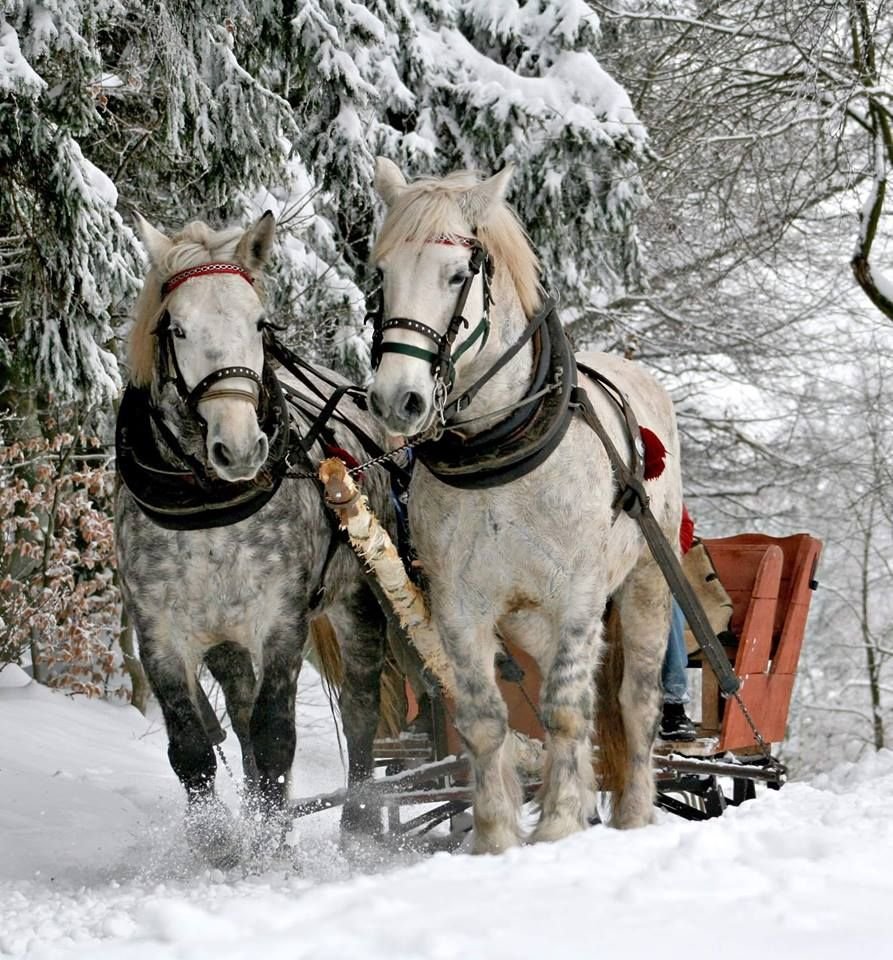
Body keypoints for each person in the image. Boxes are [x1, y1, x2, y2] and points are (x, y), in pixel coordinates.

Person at [659, 505, 698, 741]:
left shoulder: (662, 483)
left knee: (666, 604)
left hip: (649, 567)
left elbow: (683, 525)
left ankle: (673, 705)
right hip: (599, 570)